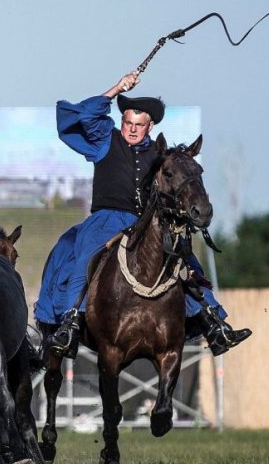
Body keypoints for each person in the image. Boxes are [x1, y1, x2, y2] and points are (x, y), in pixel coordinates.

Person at [35, 70, 252, 361]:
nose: (132, 130)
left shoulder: (162, 157)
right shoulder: (105, 142)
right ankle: (71, 321)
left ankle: (214, 323)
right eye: (127, 123)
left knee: (188, 263)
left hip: (146, 223)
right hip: (105, 221)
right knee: (85, 258)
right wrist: (115, 89)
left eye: (139, 125)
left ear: (150, 126)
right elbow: (74, 117)